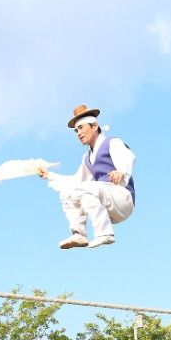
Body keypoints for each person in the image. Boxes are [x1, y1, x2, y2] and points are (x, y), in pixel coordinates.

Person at [39, 104, 136, 249]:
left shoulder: (112, 142)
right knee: (70, 193)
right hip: (109, 208)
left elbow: (128, 156)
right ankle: (79, 234)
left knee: (86, 189)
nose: (78, 133)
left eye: (81, 128)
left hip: (122, 197)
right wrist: (50, 176)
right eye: (76, 130)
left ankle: (105, 234)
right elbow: (76, 182)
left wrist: (121, 171)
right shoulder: (87, 158)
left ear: (94, 125)